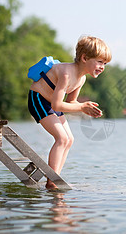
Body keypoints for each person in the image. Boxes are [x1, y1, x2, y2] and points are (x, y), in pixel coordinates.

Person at [28, 36, 111, 190]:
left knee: (69, 139)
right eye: (100, 62)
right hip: (38, 99)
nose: (102, 67)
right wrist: (82, 107)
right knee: (61, 138)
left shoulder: (81, 79)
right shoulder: (66, 73)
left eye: (105, 63)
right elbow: (57, 104)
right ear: (84, 58)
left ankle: (55, 177)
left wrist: (84, 107)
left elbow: (71, 102)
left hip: (51, 103)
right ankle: (52, 181)